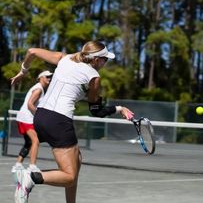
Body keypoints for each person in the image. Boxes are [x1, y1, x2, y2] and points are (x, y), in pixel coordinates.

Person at [10, 41, 134, 203]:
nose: (105, 63)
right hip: (59, 120)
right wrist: (119, 108)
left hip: (40, 117)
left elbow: (32, 51)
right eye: (105, 59)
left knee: (77, 160)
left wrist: (23, 71)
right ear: (96, 60)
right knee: (69, 176)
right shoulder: (94, 77)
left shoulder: (64, 58)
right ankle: (30, 177)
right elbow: (97, 111)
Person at [11, 70, 53, 180]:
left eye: (50, 76)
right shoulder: (38, 89)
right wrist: (39, 116)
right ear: (40, 78)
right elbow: (30, 104)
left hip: (25, 118)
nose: (49, 78)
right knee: (35, 141)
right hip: (26, 118)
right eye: (47, 76)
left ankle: (18, 165)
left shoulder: (41, 89)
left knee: (29, 142)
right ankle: (32, 166)